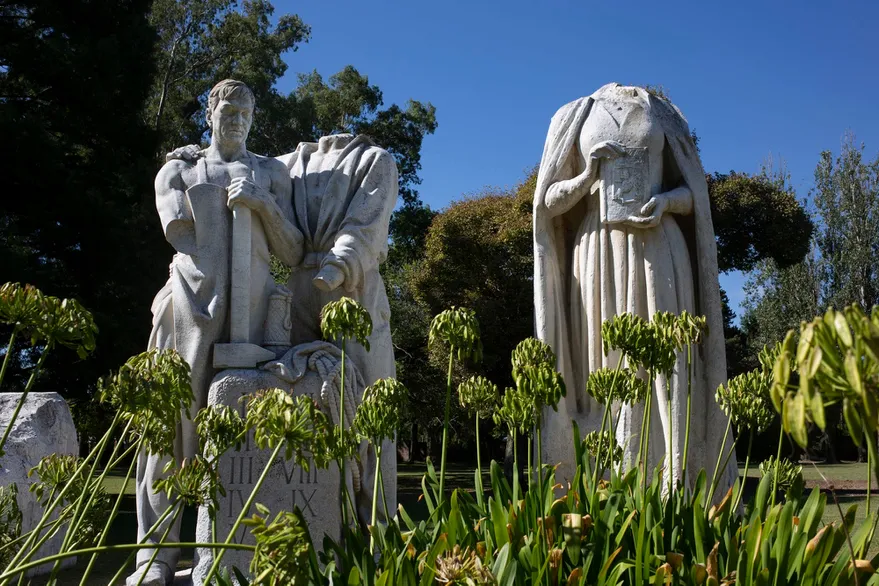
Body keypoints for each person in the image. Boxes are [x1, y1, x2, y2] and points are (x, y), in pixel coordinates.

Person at [129, 79, 303, 586]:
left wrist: (263, 204)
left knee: (248, 436)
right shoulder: (178, 170)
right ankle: (155, 555)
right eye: (229, 108)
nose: (238, 119)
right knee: (170, 428)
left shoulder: (272, 174)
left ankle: (236, 549)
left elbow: (291, 252)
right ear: (210, 111)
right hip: (189, 303)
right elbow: (182, 233)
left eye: (247, 111)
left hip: (254, 316)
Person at [532, 83, 736, 496]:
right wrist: (586, 176)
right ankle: (599, 483)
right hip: (597, 254)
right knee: (601, 366)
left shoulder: (662, 112)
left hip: (658, 249)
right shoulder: (574, 114)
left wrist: (665, 203)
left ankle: (673, 480)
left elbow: (695, 194)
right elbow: (546, 203)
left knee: (667, 361)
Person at [277, 132, 399, 524]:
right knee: (298, 401)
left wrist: (338, 266)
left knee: (370, 405)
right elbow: (239, 164)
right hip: (298, 289)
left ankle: (374, 525)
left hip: (354, 287)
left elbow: (368, 220)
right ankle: (310, 517)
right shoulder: (290, 163)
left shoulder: (375, 158)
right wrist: (196, 153)